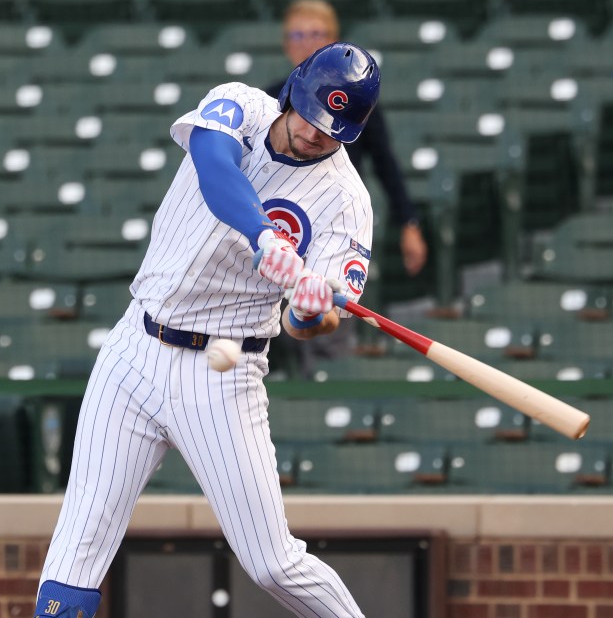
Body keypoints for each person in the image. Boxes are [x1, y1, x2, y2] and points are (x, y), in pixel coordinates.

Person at [32, 42, 379, 618]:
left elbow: (305, 326)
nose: (320, 135)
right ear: (294, 90)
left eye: (336, 129)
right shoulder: (238, 105)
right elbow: (216, 171)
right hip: (134, 349)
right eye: (315, 116)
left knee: (272, 563)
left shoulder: (347, 203)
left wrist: (313, 309)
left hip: (224, 370)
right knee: (74, 554)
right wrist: (266, 237)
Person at [265, 0, 428, 277]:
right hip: (277, 223)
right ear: (286, 44)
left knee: (327, 306)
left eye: (316, 34)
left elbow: (385, 163)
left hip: (333, 222)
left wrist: (408, 223)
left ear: (334, 43)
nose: (306, 43)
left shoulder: (355, 106)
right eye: (297, 35)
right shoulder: (268, 99)